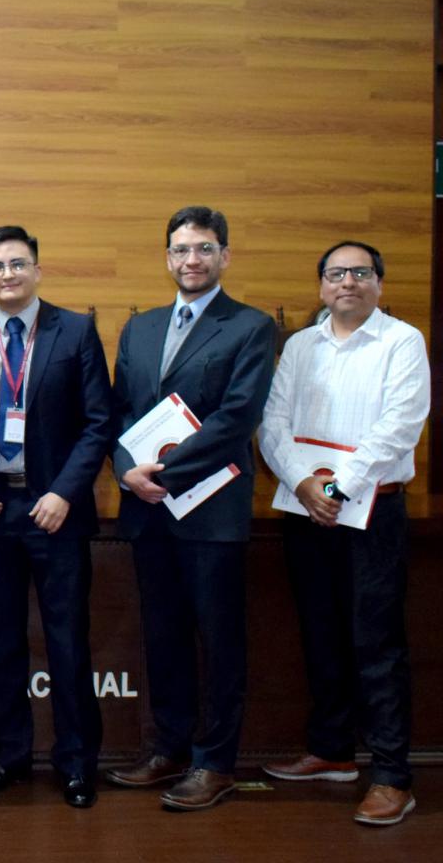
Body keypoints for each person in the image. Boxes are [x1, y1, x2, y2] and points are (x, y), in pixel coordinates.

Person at [109, 206, 276, 811]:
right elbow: (120, 410)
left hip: (211, 513)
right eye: (181, 250)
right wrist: (126, 469)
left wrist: (163, 473)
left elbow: (237, 417)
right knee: (165, 636)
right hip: (149, 511)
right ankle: (170, 749)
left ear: (224, 256)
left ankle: (215, 763)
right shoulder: (141, 328)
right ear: (167, 258)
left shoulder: (251, 327)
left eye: (204, 248)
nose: (192, 260)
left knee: (219, 642)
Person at [258, 241, 428, 827]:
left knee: (376, 645)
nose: (348, 282)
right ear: (322, 285)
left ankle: (392, 776)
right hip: (306, 510)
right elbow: (273, 422)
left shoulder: (402, 341)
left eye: (360, 272)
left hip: (374, 512)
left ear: (379, 282)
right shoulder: (300, 346)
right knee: (321, 633)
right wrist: (304, 484)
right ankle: (332, 750)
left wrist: (336, 488)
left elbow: (399, 425)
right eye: (336, 273)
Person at [0, 226, 113, 809]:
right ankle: (8, 759)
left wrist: (65, 492)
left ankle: (77, 765)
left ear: (38, 271)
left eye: (18, 264)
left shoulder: (77, 331)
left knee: (67, 642)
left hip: (55, 511)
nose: (8, 274)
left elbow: (99, 422)